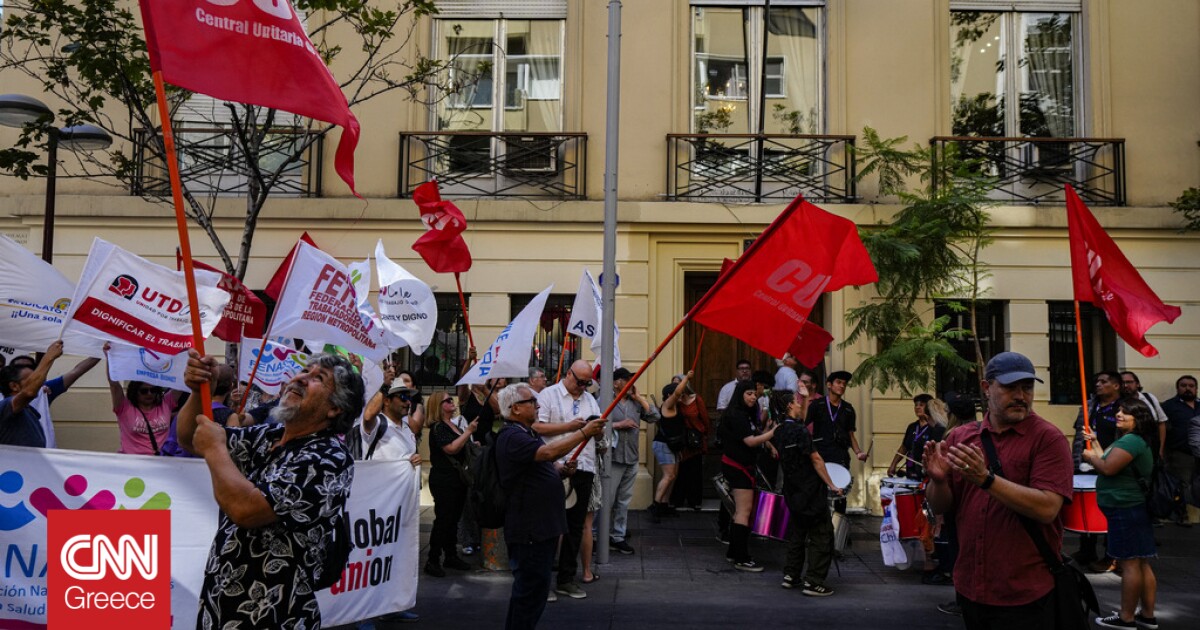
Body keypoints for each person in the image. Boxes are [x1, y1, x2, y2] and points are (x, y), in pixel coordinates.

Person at [177, 350, 361, 629]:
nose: (301, 378)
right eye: (305, 371)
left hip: (275, 616)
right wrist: (198, 391)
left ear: (335, 408)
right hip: (221, 607)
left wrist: (215, 448)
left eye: (319, 378)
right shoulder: (268, 436)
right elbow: (191, 437)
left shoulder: (329, 458)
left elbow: (246, 510)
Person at [923, 352, 1073, 630]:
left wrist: (986, 479)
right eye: (1009, 387)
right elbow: (940, 506)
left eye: (1027, 387)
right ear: (986, 387)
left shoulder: (1048, 439)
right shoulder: (961, 437)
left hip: (1025, 592)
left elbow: (1047, 508)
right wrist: (939, 481)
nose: (1020, 396)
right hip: (971, 586)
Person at [494, 382, 606, 630]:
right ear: (515, 408)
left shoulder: (526, 433)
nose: (537, 405)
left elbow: (542, 462)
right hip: (529, 529)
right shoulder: (512, 436)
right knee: (529, 591)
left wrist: (561, 471)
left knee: (534, 590)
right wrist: (583, 433)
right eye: (531, 402)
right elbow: (546, 453)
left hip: (540, 527)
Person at [350, 376, 423, 626]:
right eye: (401, 397)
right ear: (387, 401)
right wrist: (384, 385)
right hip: (377, 506)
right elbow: (367, 416)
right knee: (372, 557)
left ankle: (392, 605)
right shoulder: (378, 424)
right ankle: (364, 614)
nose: (407, 402)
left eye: (409, 397)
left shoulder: (407, 429)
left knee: (396, 556)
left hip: (402, 504)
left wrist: (414, 460)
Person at [1081, 399, 1159, 630]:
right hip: (1131, 508)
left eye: (1126, 412)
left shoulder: (1131, 441)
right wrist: (1095, 442)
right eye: (1119, 411)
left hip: (1126, 509)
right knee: (1141, 562)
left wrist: (1089, 457)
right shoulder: (1131, 439)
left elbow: (1106, 468)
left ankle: (1126, 618)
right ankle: (1147, 615)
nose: (1119, 414)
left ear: (1139, 418)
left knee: (1130, 564)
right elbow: (1107, 458)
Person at [535, 360, 601, 600]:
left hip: (583, 467)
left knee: (575, 526)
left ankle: (566, 579)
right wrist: (571, 427)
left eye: (587, 383)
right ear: (569, 374)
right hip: (554, 467)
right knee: (550, 526)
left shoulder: (589, 399)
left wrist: (597, 430)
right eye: (580, 382)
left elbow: (597, 430)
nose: (583, 387)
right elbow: (538, 427)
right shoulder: (548, 395)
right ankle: (542, 582)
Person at [772, 389, 841, 596]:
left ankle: (791, 575)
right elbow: (816, 459)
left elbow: (800, 418)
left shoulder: (779, 431)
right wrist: (831, 484)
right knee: (822, 535)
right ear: (789, 406)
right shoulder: (801, 431)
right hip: (810, 490)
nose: (799, 403)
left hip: (792, 490)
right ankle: (814, 581)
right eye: (796, 401)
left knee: (797, 532)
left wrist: (805, 397)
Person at [719, 379, 777, 572]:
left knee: (740, 512)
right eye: (749, 394)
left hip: (743, 466)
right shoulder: (736, 416)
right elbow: (750, 441)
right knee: (744, 512)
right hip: (738, 467)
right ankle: (741, 558)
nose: (753, 397)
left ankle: (733, 552)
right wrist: (773, 433)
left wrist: (768, 443)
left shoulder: (745, 414)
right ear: (740, 395)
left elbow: (756, 433)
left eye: (754, 393)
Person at [1073, 370, 1125, 572]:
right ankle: (1086, 550)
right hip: (1087, 465)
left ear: (1116, 386)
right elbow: (1079, 435)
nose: (1098, 385)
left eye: (1104, 382)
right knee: (1087, 507)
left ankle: (1112, 556)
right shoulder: (1089, 405)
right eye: (1097, 381)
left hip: (1112, 464)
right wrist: (1076, 461)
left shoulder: (1123, 409)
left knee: (1109, 510)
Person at [0, 341, 99, 448]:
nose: (37, 384)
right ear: (14, 386)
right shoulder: (5, 407)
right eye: (29, 380)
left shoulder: (30, 411)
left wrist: (100, 351)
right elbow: (28, 392)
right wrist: (49, 357)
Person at [425, 390, 477, 577]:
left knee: (453, 519)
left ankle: (450, 555)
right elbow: (451, 448)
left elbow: (461, 446)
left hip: (457, 479)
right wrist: (468, 432)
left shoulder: (453, 425)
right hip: (444, 480)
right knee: (443, 519)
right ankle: (433, 559)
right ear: (439, 406)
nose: (451, 402)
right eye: (447, 400)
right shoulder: (439, 428)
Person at [607, 367, 659, 554]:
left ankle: (618, 536)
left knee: (624, 500)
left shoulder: (634, 403)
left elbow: (655, 416)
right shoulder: (604, 400)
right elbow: (594, 424)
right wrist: (618, 425)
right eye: (627, 379)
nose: (631, 382)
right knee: (607, 500)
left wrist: (640, 398)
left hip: (631, 457)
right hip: (613, 458)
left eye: (632, 379)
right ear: (616, 383)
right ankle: (598, 536)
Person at [669, 371, 711, 512]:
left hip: (695, 439)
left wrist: (703, 435)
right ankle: (677, 499)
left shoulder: (696, 399)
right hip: (681, 440)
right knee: (680, 471)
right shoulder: (675, 401)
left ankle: (695, 501)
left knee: (695, 471)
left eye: (678, 383)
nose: (676, 386)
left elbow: (705, 419)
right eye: (674, 384)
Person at [1160, 375, 1197, 525]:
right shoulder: (1169, 406)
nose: (1188, 388)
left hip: (1199, 452)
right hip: (1180, 453)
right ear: (1177, 388)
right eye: (1184, 385)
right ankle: (1182, 515)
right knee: (1181, 485)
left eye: (1191, 386)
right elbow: (1162, 428)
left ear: (1196, 389)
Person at [650, 377, 687, 523]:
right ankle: (656, 506)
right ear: (669, 395)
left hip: (673, 446)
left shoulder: (676, 407)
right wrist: (687, 378)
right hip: (663, 444)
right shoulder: (668, 405)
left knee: (673, 476)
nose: (681, 395)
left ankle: (664, 505)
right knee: (669, 475)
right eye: (679, 394)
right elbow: (677, 393)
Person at [888, 394, 946, 480]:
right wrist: (893, 464)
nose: (917, 407)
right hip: (911, 468)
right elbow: (904, 447)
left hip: (926, 470)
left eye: (921, 405)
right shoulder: (912, 426)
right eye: (916, 405)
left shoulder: (934, 427)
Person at [1120, 371, 1168, 456]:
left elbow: (1161, 423)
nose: (1126, 385)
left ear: (1137, 384)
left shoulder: (1149, 398)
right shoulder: (1117, 402)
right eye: (1122, 383)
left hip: (1151, 446)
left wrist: (1160, 449)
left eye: (1129, 382)